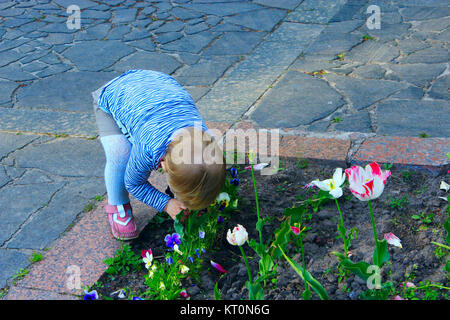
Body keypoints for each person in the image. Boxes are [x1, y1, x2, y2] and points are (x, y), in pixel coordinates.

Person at [91, 70, 226, 240]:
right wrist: (167, 204)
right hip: (113, 97)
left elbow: (202, 169)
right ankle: (118, 206)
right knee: (120, 155)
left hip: (156, 85)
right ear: (164, 165)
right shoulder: (149, 148)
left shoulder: (206, 140)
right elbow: (134, 183)